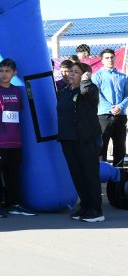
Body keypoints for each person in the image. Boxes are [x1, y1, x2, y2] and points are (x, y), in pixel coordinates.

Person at [0, 58, 35, 218]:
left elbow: (18, 112)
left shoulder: (18, 91)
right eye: (1, 71)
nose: (4, 74)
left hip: (15, 139)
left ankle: (15, 204)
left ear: (14, 73)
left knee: (13, 173)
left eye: (7, 71)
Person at [56, 62, 104, 222]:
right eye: (70, 71)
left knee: (89, 174)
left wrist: (85, 80)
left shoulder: (89, 89)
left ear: (85, 74)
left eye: (76, 72)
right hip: (68, 139)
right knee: (77, 174)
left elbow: (86, 91)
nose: (71, 74)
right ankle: (85, 206)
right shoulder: (65, 91)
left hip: (85, 139)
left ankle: (96, 210)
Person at [92, 48, 128, 166]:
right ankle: (101, 177)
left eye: (112, 57)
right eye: (107, 58)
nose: (110, 60)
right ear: (102, 60)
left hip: (120, 116)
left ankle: (117, 181)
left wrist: (120, 106)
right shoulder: (97, 76)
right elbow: (97, 94)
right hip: (104, 116)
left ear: (115, 58)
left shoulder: (123, 77)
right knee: (102, 147)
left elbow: (127, 95)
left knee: (120, 149)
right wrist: (110, 108)